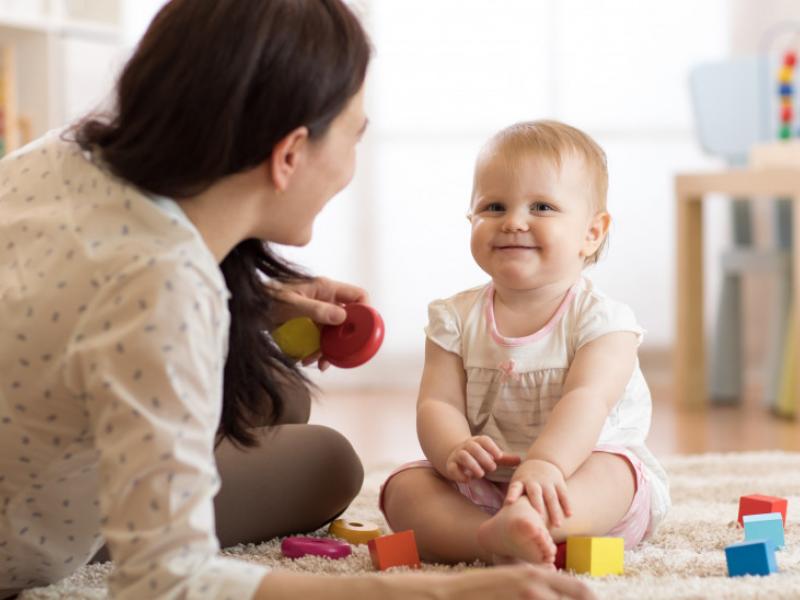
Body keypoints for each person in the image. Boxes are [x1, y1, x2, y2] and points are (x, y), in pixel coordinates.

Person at [0, 1, 595, 599]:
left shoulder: (64, 152)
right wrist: (433, 593)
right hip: (21, 533)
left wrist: (258, 300)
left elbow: (90, 290)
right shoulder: (163, 296)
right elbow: (164, 584)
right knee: (327, 464)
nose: (351, 167)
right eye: (354, 136)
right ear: (289, 154)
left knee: (278, 391)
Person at [381, 120, 671, 566]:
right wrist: (453, 449)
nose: (514, 222)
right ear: (471, 220)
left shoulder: (603, 321)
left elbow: (587, 399)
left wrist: (548, 465)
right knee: (404, 488)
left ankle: (535, 524)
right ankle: (488, 536)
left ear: (592, 232)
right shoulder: (454, 319)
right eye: (494, 206)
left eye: (542, 207)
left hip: (575, 475)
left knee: (616, 475)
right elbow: (436, 404)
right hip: (484, 486)